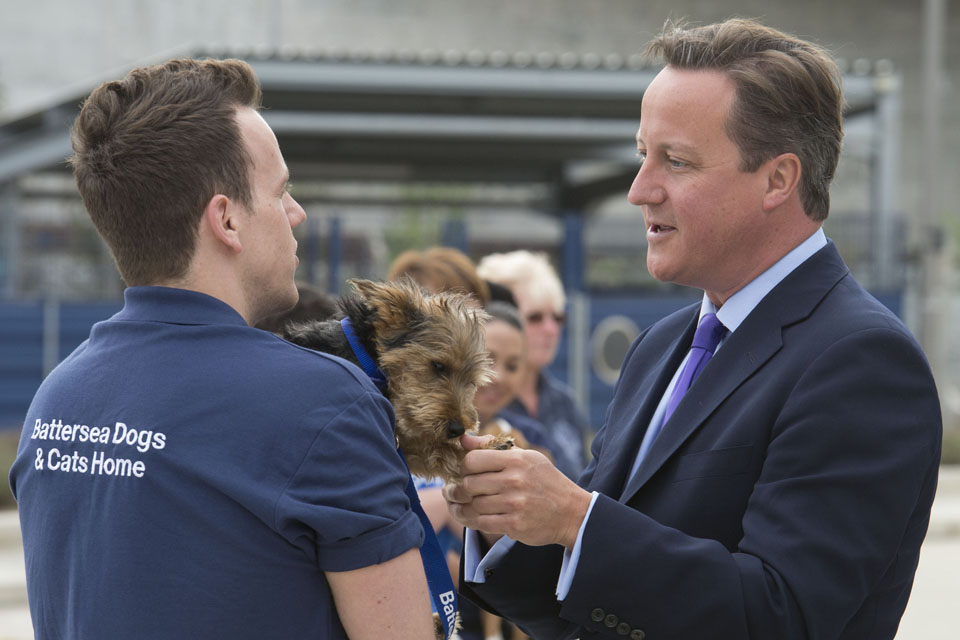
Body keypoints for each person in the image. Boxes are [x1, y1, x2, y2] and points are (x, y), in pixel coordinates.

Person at [446, 18, 942, 640]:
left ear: (778, 180)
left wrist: (576, 518)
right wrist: (511, 518)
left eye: (675, 161)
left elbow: (783, 615)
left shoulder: (862, 361)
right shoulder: (661, 347)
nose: (638, 190)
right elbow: (598, 605)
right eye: (642, 155)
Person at [8, 58, 435, 639]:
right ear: (226, 220)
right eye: (281, 191)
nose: (297, 213)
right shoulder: (326, 404)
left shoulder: (56, 401)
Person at [477, 250, 592, 479]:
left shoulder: (564, 403)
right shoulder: (480, 406)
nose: (551, 330)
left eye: (558, 317)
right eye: (535, 317)